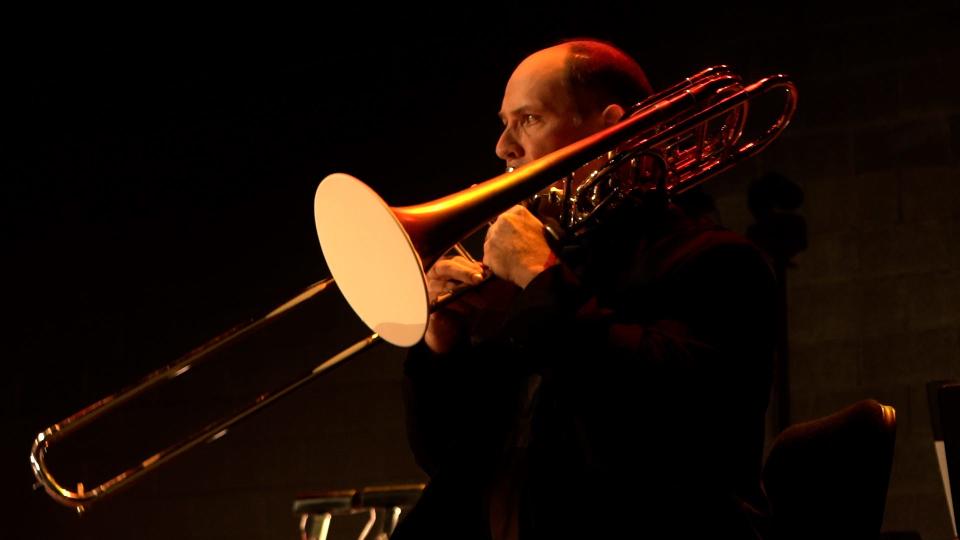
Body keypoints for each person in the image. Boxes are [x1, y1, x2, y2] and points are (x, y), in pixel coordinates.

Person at [391, 39, 776, 540]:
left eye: (528, 119)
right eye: (504, 122)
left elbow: (662, 424)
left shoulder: (717, 261)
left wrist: (542, 281)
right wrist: (443, 351)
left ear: (610, 128)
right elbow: (445, 458)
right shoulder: (540, 275)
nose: (503, 147)